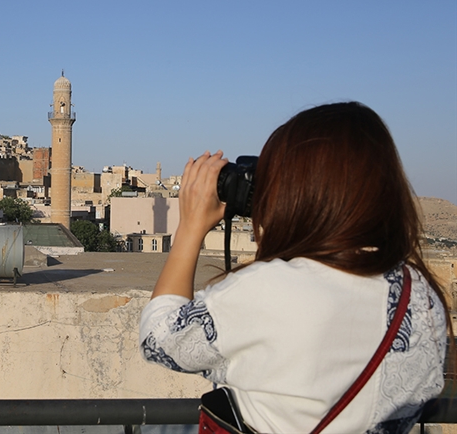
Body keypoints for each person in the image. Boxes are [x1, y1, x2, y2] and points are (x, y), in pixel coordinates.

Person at [139, 102, 449, 432]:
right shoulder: (420, 295)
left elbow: (158, 341)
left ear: (294, 192)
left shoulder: (269, 290)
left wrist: (190, 226)